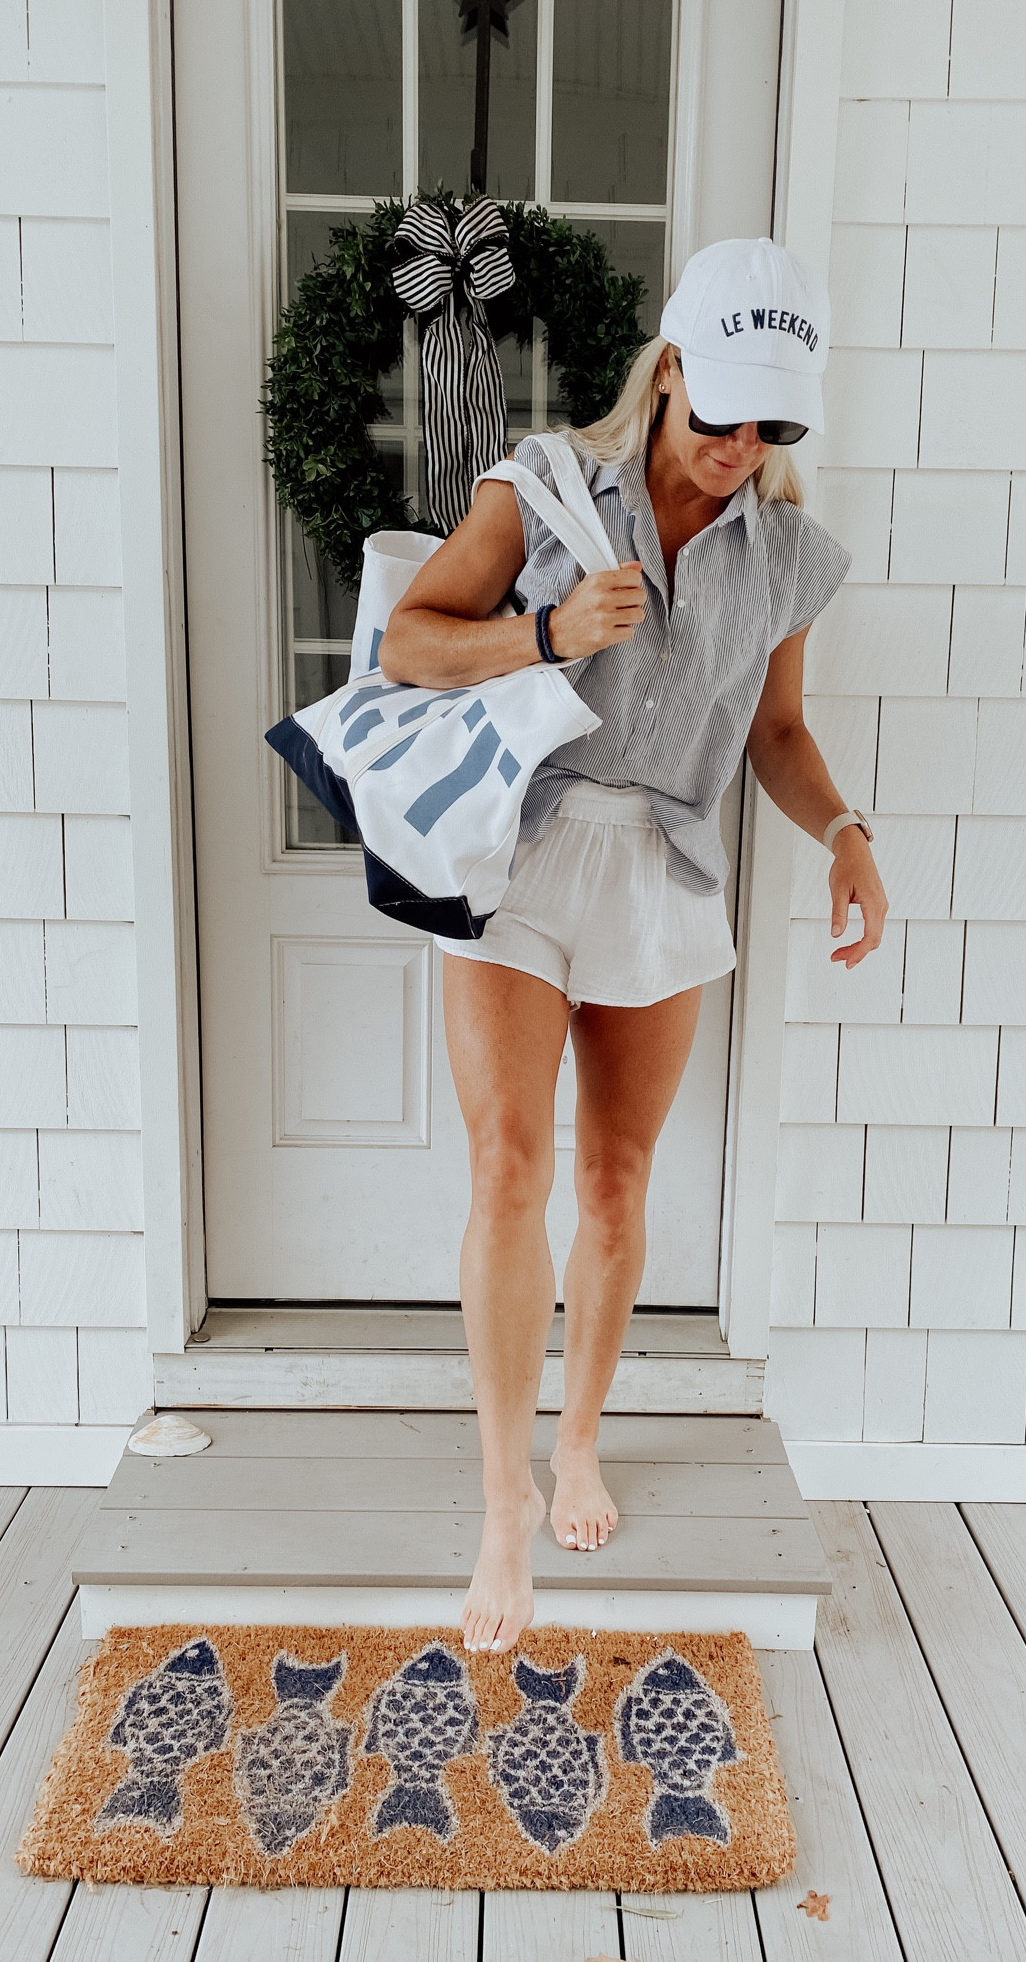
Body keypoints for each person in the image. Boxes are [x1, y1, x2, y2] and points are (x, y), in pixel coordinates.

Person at [379, 237, 889, 1653]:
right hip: (520, 851)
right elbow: (411, 643)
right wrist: (546, 632)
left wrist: (846, 831)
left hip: (664, 873)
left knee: (614, 1178)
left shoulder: (786, 557)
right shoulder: (542, 485)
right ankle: (502, 1501)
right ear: (668, 371)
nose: (741, 447)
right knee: (509, 1166)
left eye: (774, 426)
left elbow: (776, 733)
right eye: (722, 411)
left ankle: (579, 1444)